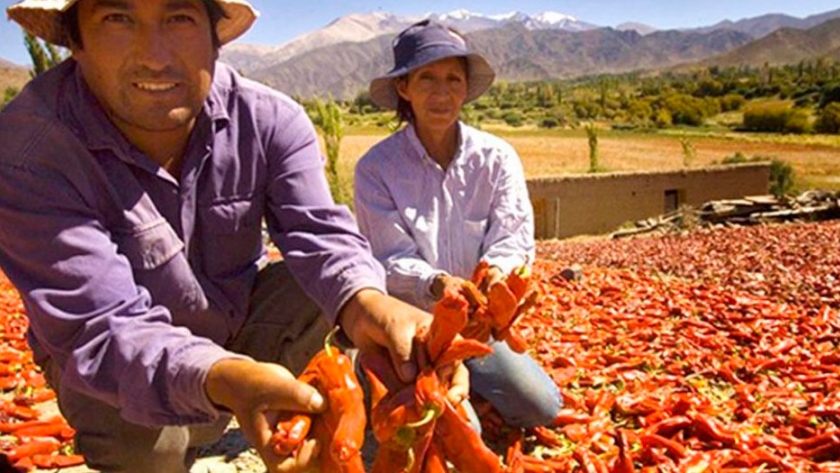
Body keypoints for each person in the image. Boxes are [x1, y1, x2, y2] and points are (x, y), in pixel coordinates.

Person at [0, 1, 466, 472]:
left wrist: (371, 305)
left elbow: (321, 235)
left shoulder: (269, 119)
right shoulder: (30, 152)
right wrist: (223, 377)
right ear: (74, 42)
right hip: (117, 362)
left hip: (233, 319)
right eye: (116, 19)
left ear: (214, 35)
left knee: (324, 291)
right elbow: (99, 325)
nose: (154, 56)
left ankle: (268, 408)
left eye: (178, 17)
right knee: (147, 449)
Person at [354, 19, 563, 430]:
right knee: (438, 428)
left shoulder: (496, 158)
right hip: (410, 325)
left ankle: (471, 383)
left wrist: (497, 278)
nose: (442, 92)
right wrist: (437, 284)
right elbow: (389, 256)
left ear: (466, 89)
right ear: (404, 88)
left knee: (543, 408)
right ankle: (384, 369)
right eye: (427, 78)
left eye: (453, 79)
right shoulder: (376, 169)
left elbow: (513, 235)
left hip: (478, 327)